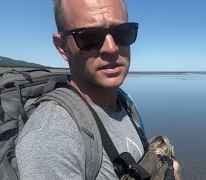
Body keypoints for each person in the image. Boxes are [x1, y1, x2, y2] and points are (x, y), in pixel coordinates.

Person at [16, 0, 144, 179]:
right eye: (88, 37)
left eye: (122, 33)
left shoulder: (126, 102)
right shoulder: (52, 137)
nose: (111, 48)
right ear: (62, 47)